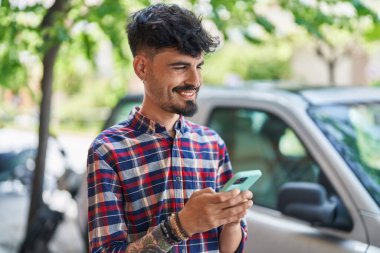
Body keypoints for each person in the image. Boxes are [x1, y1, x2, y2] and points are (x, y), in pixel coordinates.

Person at [87, 3, 253, 253]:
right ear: (142, 67)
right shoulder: (108, 150)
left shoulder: (212, 144)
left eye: (198, 66)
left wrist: (232, 221)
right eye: (180, 67)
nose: (195, 81)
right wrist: (181, 226)